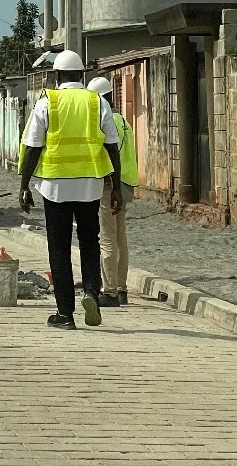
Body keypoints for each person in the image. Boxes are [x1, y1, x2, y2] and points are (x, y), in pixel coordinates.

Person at [19, 51, 123, 330]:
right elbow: (112, 145)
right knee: (90, 241)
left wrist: (24, 185)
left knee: (59, 248)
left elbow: (32, 148)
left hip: (55, 187)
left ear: (57, 75)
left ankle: (65, 314)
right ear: (82, 74)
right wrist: (116, 188)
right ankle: (91, 290)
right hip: (90, 184)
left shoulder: (47, 103)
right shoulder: (96, 101)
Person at [89, 76, 137, 307]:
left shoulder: (108, 122)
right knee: (120, 238)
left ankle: (109, 291)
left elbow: (108, 154)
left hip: (110, 185)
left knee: (106, 238)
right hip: (126, 183)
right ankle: (122, 288)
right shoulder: (123, 121)